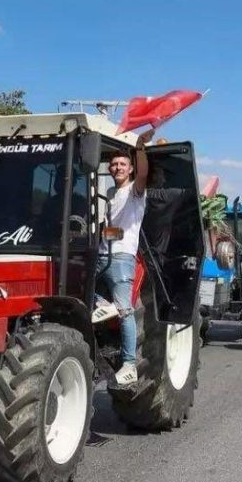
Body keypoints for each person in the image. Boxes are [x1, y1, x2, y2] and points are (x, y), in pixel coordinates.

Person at [95, 128, 155, 387]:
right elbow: (116, 230)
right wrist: (99, 232)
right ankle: (103, 304)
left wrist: (140, 147)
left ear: (130, 169)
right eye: (114, 164)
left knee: (125, 311)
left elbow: (144, 173)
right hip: (101, 255)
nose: (117, 168)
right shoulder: (110, 195)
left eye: (122, 164)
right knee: (73, 287)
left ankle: (129, 365)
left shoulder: (135, 191)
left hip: (121, 259)